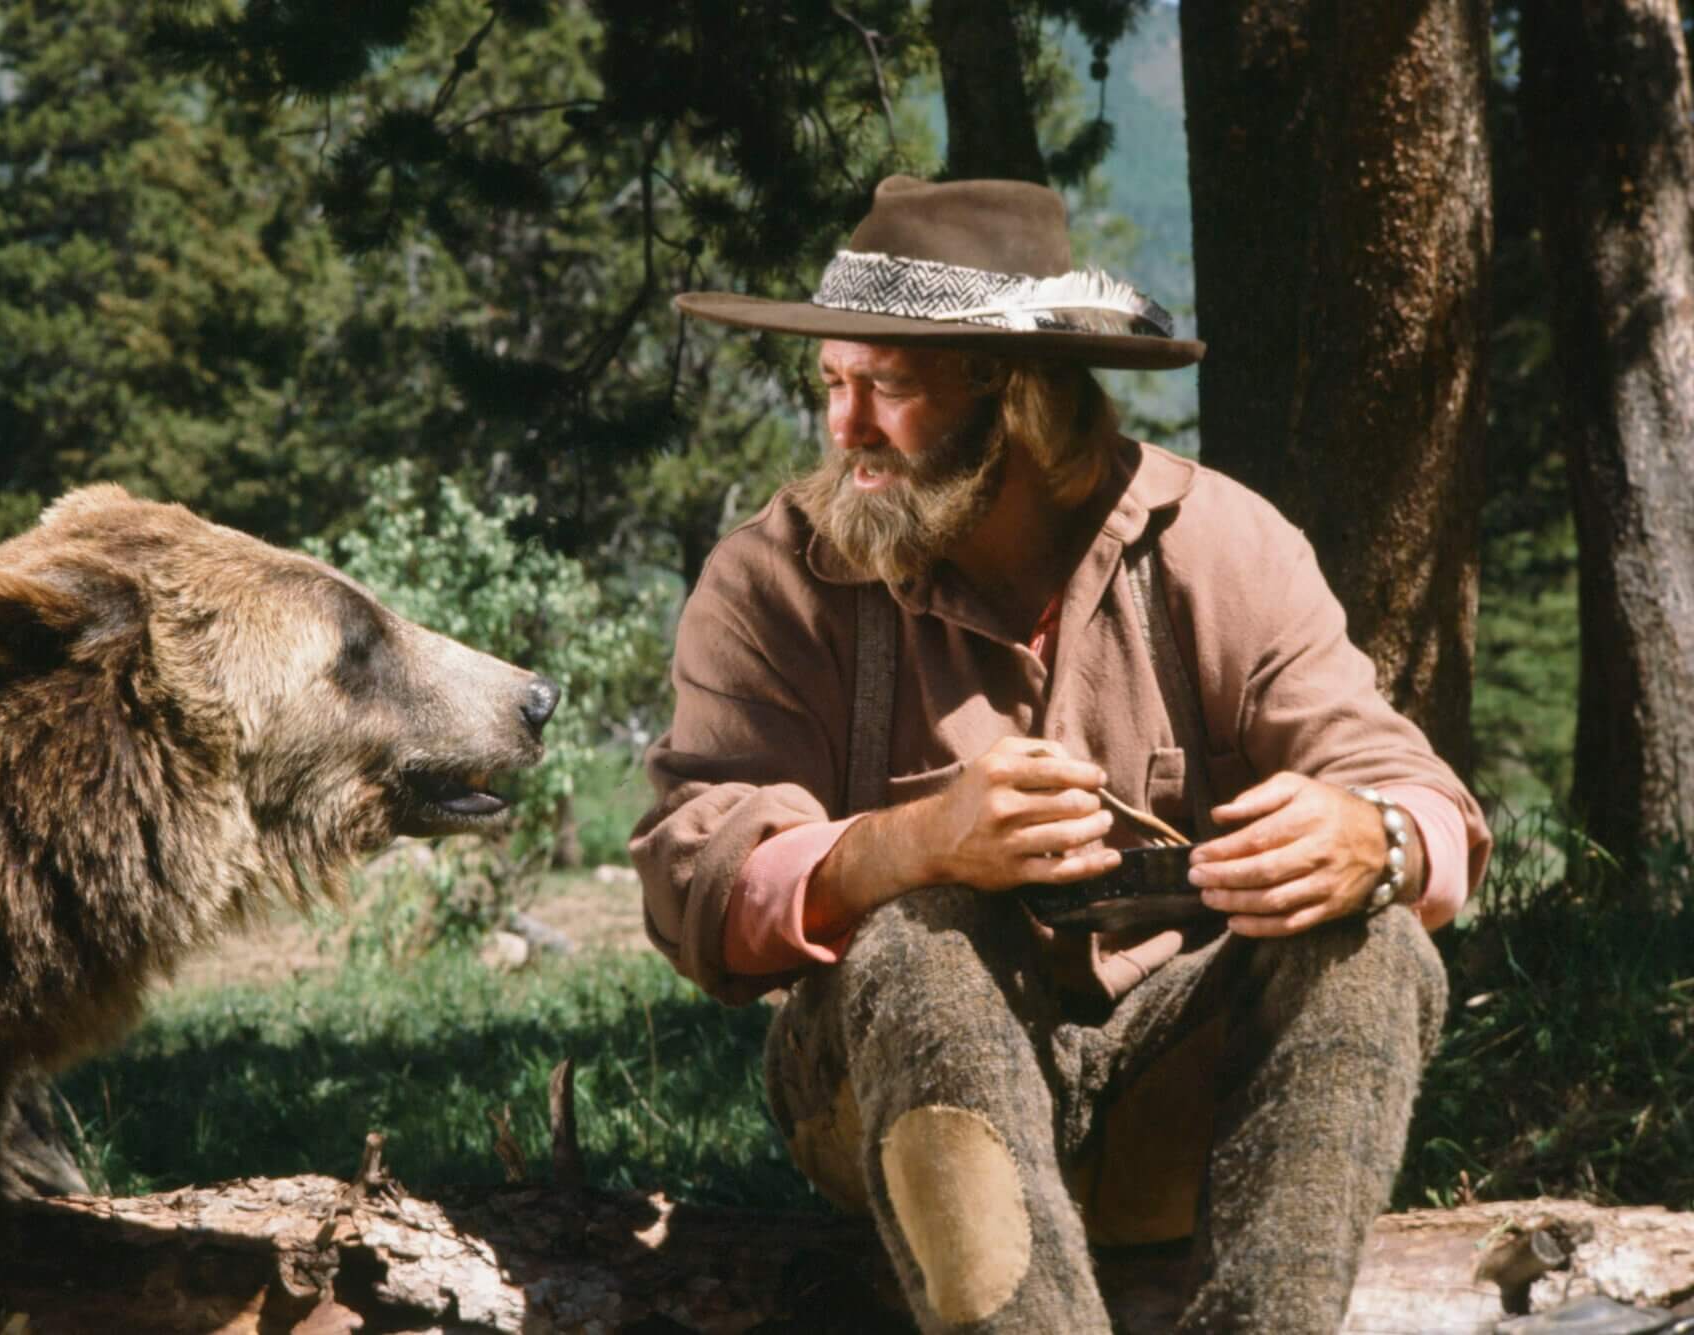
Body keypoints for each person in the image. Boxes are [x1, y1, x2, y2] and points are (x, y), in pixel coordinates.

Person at [629, 175, 1490, 1332]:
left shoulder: (1223, 546)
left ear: (1014, 394)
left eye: (884, 387)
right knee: (922, 940)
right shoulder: (773, 576)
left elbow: (1420, 803)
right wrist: (911, 845)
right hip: (877, 1081)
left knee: (1371, 943)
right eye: (830, 382)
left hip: (1173, 1086)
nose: (842, 430)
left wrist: (1371, 839)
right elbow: (692, 876)